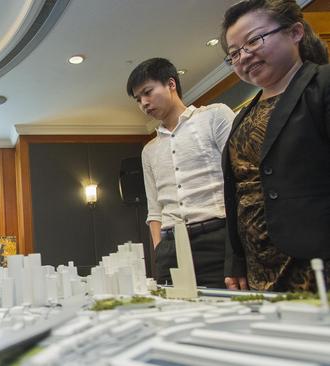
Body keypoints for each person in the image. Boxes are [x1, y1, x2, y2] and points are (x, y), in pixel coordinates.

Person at [220, 0, 330, 292]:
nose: (244, 56)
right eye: (234, 53)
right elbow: (237, 194)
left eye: (254, 40)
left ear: (295, 32)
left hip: (315, 262)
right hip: (259, 269)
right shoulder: (242, 116)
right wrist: (236, 260)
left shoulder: (322, 85)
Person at [126, 58, 236, 289]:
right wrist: (159, 249)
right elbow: (154, 208)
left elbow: (240, 179)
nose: (144, 103)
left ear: (171, 84)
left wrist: (238, 244)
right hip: (170, 246)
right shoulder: (149, 150)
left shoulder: (214, 116)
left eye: (148, 92)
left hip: (217, 237)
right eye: (138, 99)